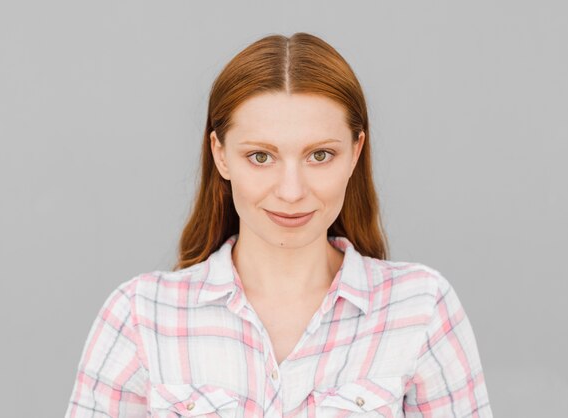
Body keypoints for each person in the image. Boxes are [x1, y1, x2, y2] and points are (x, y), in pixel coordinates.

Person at [64, 32, 493, 417]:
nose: (291, 191)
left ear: (356, 152)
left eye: (320, 155)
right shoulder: (141, 316)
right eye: (261, 157)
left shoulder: (420, 308)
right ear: (220, 154)